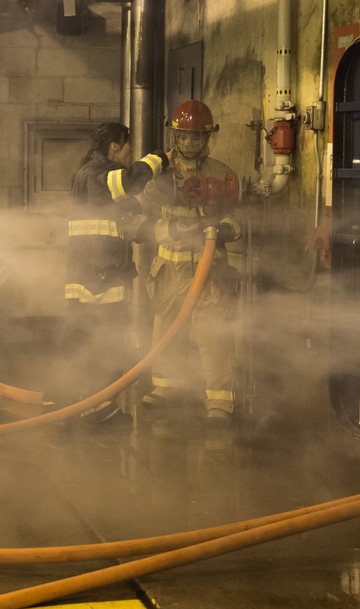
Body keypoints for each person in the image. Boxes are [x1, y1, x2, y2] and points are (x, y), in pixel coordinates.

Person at [60, 122, 169, 423]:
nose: (131, 154)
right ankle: (80, 411)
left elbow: (125, 222)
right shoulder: (96, 176)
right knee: (100, 343)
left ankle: (88, 408)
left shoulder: (91, 178)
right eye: (129, 148)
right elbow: (132, 179)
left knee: (96, 344)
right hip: (99, 278)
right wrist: (161, 158)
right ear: (114, 148)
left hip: (98, 275)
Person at [140, 100, 242, 420]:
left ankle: (219, 401)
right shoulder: (161, 174)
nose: (189, 143)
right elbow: (140, 219)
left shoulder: (223, 173)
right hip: (170, 266)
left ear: (207, 138)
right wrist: (169, 229)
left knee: (213, 333)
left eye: (196, 137)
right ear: (175, 137)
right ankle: (168, 387)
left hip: (210, 267)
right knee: (166, 327)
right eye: (183, 137)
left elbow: (240, 220)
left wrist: (225, 230)